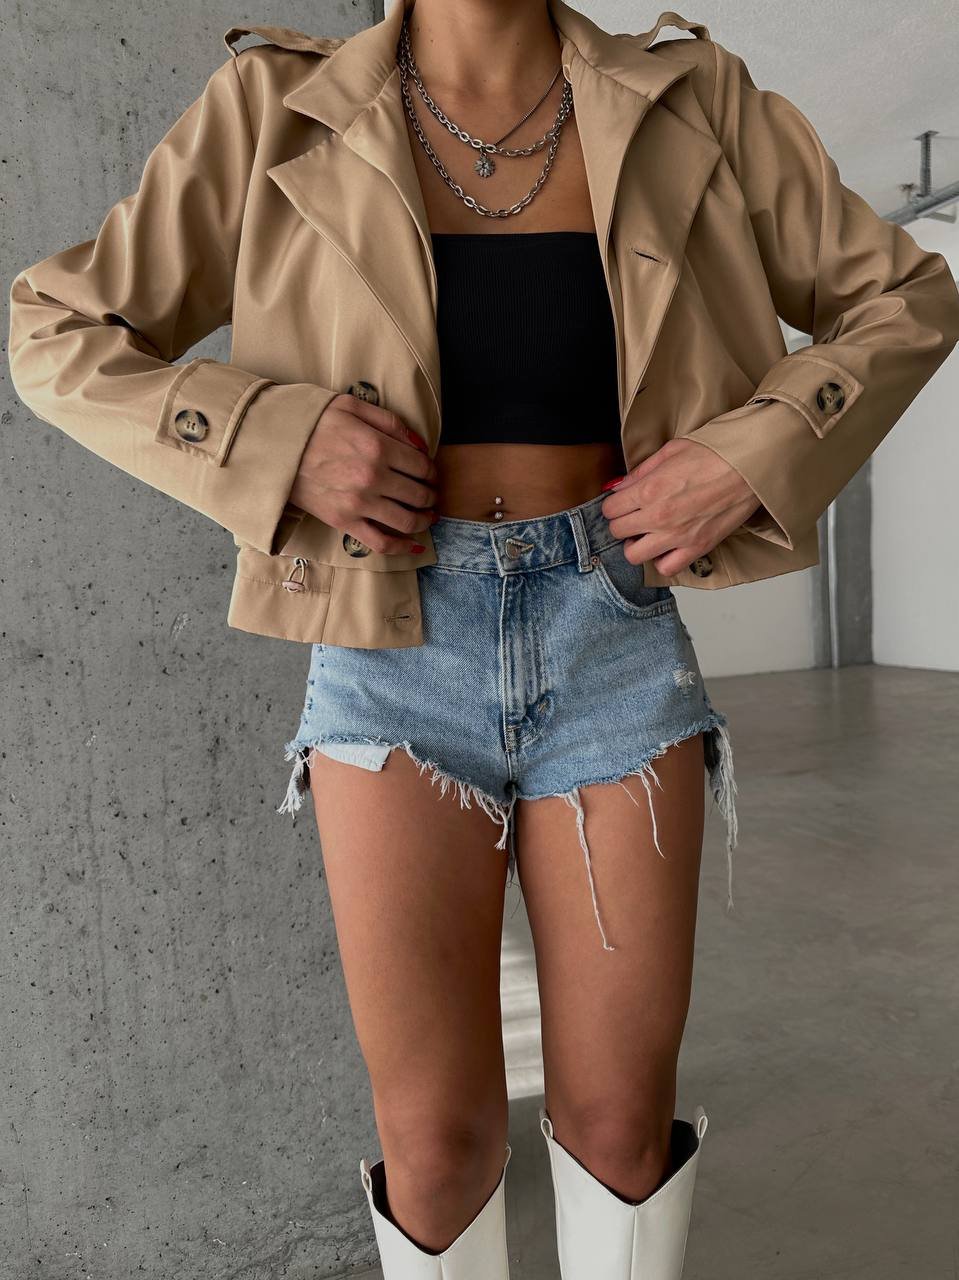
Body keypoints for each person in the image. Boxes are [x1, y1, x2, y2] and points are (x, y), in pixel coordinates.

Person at [8, 1, 958, 1276]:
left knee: (619, 1125)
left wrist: (756, 449)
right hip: (391, 643)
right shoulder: (274, 109)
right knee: (436, 1141)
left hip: (610, 628)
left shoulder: (691, 97)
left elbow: (903, 295)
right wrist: (272, 437)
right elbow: (54, 330)